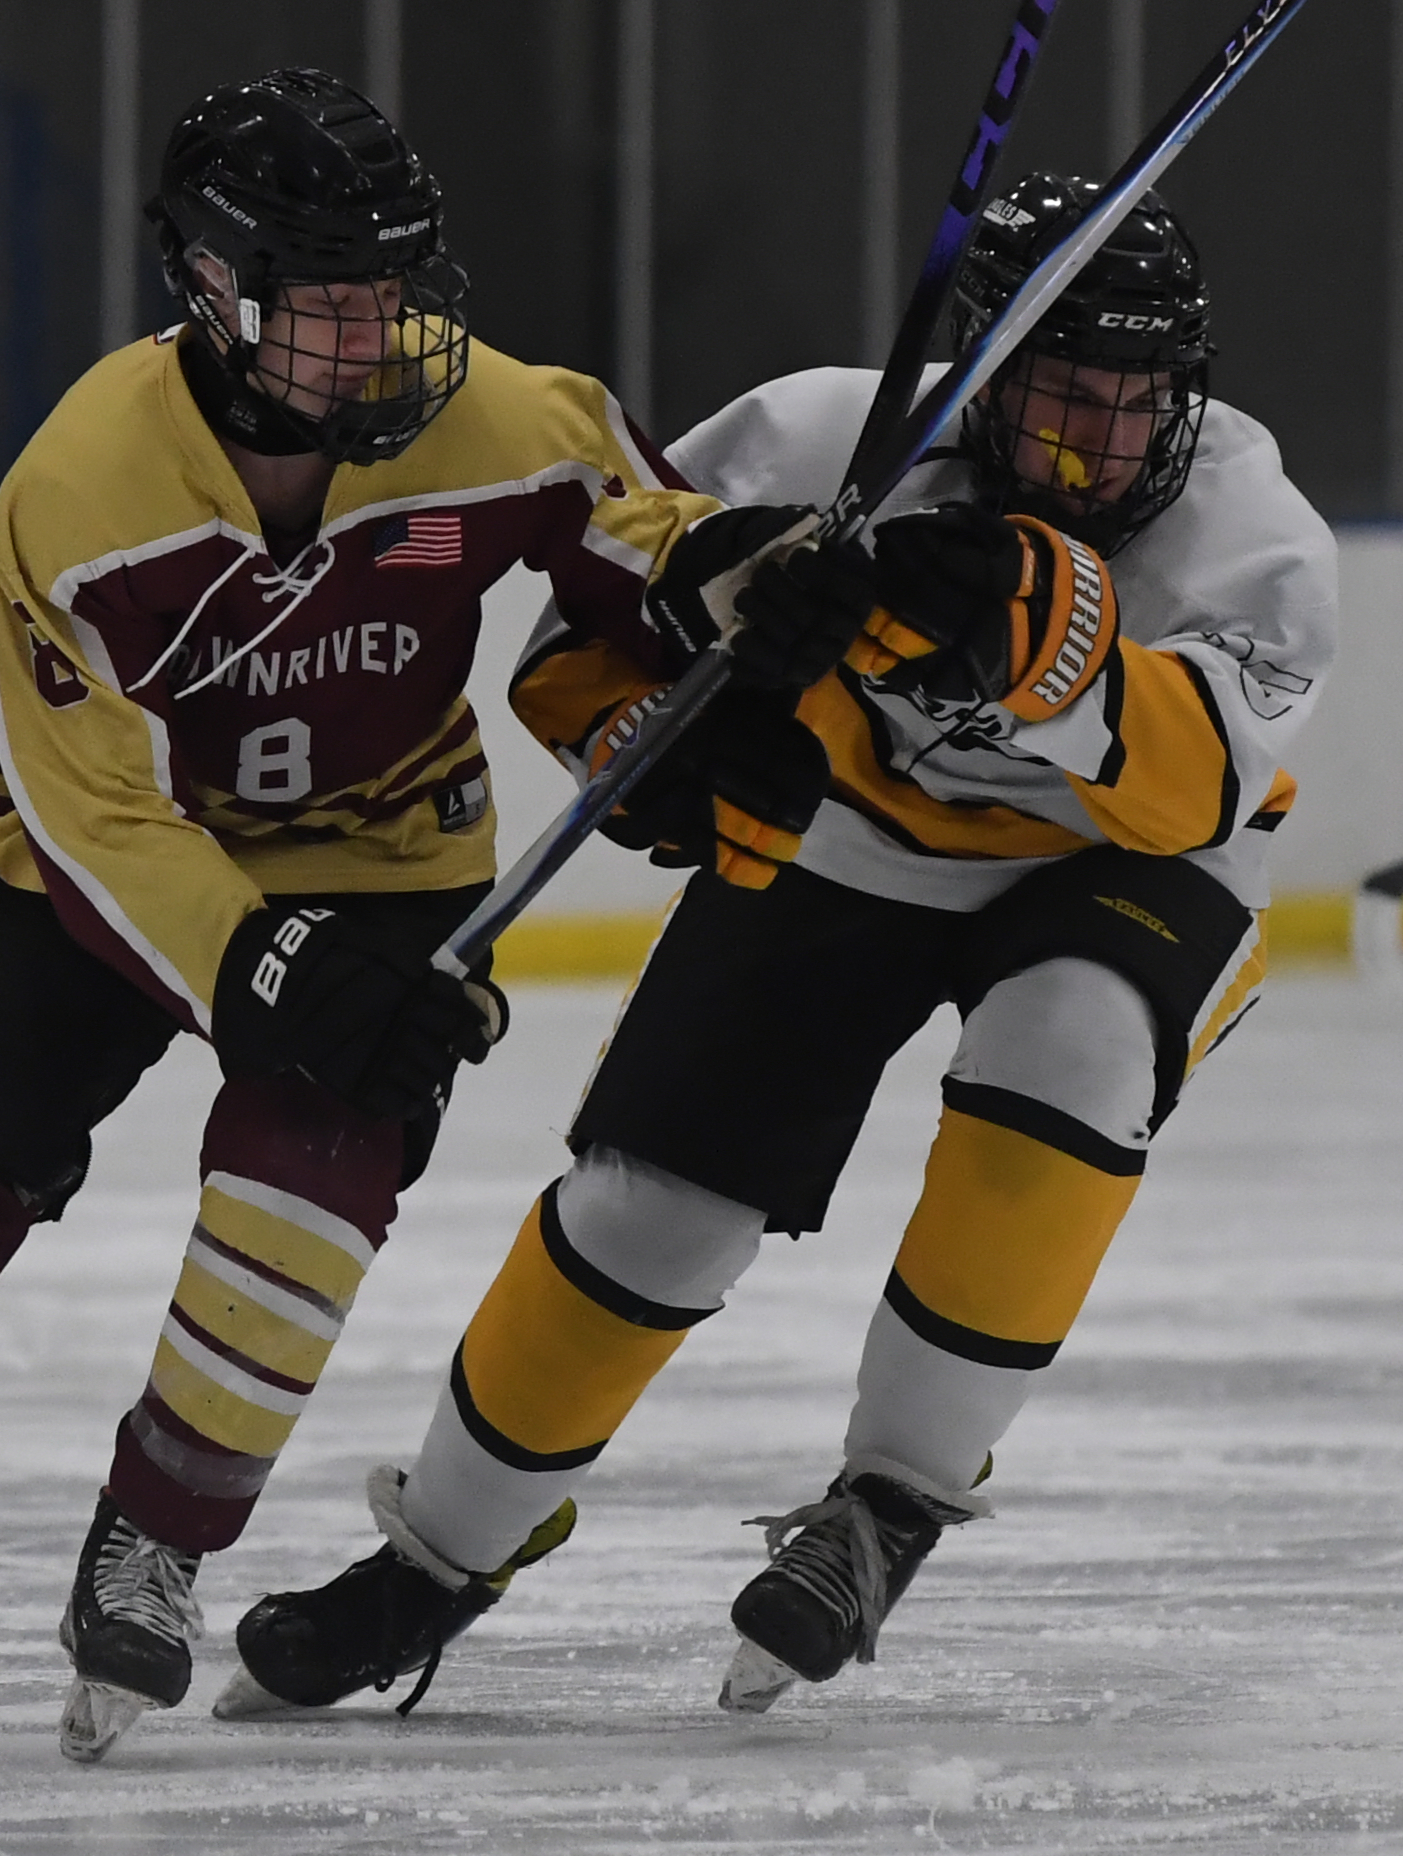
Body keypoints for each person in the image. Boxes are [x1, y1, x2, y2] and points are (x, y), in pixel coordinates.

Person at [0, 67, 853, 1766]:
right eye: (330, 309)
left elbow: (641, 535)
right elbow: (101, 816)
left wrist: (742, 576)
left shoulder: (500, 415)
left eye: (399, 295)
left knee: (306, 1204)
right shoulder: (83, 490)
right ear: (208, 292)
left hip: (380, 857)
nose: (384, 341)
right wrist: (263, 965)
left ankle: (158, 1541)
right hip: (90, 860)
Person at [212, 172, 1339, 1723]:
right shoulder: (815, 442)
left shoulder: (1250, 532)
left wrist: (1034, 629)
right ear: (986, 376)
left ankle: (887, 1510)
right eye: (1064, 397)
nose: (1103, 443)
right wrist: (665, 746)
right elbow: (579, 646)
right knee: (649, 1210)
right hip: (851, 843)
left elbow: (1190, 780)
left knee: (1067, 1039)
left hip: (1125, 867)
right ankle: (438, 1558)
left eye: (1137, 402)